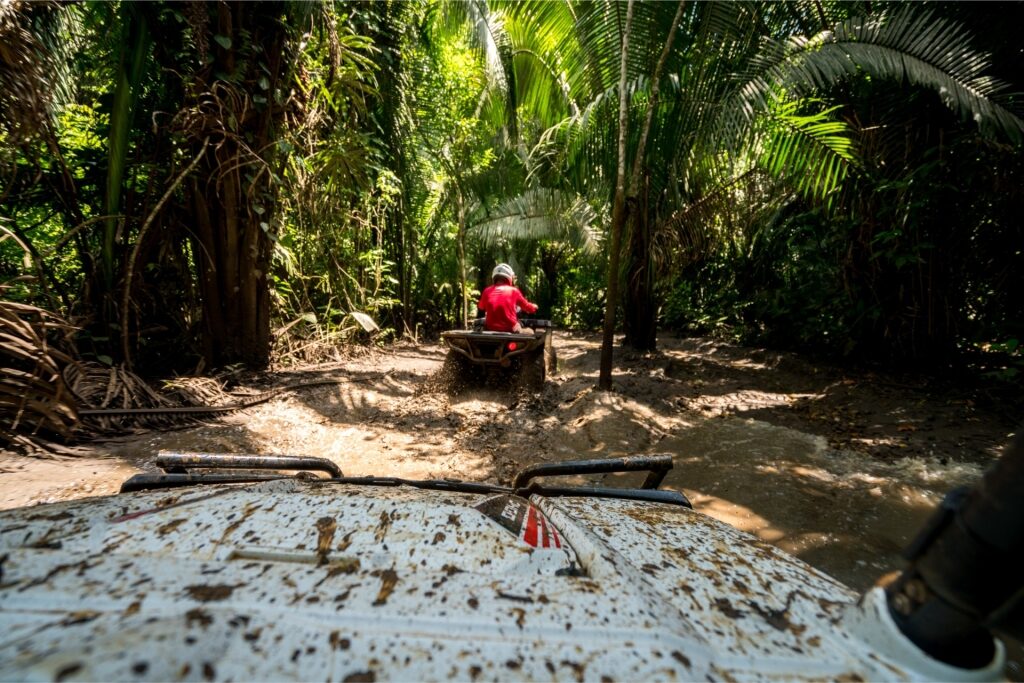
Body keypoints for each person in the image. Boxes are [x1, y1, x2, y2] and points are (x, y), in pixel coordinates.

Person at [477, 263, 537, 333]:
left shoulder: (486, 291)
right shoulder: (514, 291)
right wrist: (534, 307)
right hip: (511, 329)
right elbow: (527, 307)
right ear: (509, 277)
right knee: (530, 332)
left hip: (491, 328)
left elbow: (481, 307)